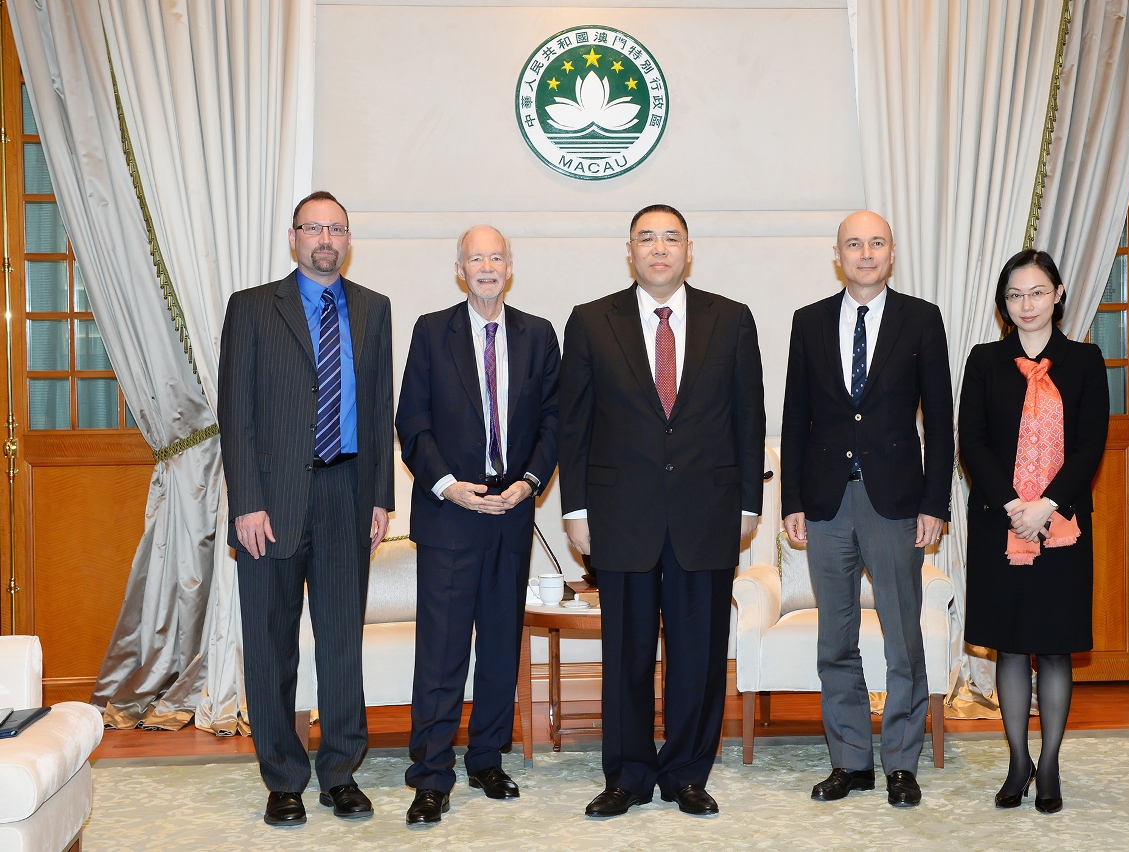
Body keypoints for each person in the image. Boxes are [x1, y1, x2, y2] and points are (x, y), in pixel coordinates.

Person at [559, 204, 765, 818]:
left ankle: (686, 772)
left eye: (670, 238)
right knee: (626, 650)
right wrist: (575, 508)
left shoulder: (730, 319)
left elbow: (749, 418)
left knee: (699, 653)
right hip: (621, 514)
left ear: (688, 249)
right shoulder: (592, 321)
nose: (658, 249)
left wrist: (749, 502)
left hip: (707, 512)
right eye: (646, 238)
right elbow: (575, 424)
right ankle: (626, 774)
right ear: (629, 250)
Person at [219, 190, 395, 827]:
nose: (325, 239)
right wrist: (246, 503)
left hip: (348, 495)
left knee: (343, 641)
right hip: (272, 499)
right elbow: (235, 413)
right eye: (313, 228)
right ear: (292, 238)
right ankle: (284, 779)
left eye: (336, 229)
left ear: (348, 240)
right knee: (270, 643)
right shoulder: (252, 308)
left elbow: (378, 411)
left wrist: (382, 497)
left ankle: (341, 773)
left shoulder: (374, 309)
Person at [780, 210, 953, 808]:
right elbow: (794, 418)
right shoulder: (809, 322)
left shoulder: (921, 320)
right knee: (836, 640)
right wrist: (792, 501)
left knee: (904, 638)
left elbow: (942, 420)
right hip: (827, 502)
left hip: (897, 501)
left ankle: (901, 763)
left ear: (892, 251)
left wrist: (936, 503)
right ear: (838, 254)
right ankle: (851, 761)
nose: (866, 253)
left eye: (876, 243)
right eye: (854, 244)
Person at [396, 226, 560, 826]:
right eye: (476, 258)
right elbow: (411, 419)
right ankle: (431, 775)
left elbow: (554, 419)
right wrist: (447, 485)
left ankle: (488, 757)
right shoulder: (430, 331)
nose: (486, 266)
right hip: (449, 513)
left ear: (510, 267)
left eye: (496, 257)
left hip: (512, 510)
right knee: (440, 652)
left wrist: (530, 484)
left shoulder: (538, 334)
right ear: (460, 269)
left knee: (498, 644)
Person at [958, 249, 1108, 814]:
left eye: (1037, 292)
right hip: (1001, 524)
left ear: (1059, 294)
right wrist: (1012, 506)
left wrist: (1046, 505)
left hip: (1062, 522)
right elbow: (970, 439)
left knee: (1053, 645)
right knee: (1011, 645)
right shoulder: (984, 361)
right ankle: (1018, 760)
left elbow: (1090, 443)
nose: (1026, 305)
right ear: (1004, 303)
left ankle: (1049, 766)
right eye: (1015, 295)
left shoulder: (1086, 361)